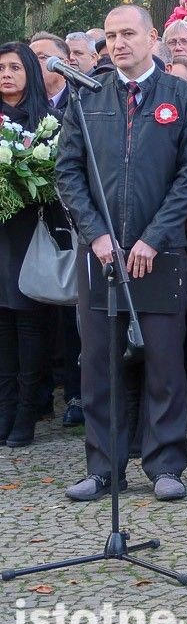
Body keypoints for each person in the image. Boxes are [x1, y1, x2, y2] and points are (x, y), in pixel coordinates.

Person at [56, 4, 187, 502]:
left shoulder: (183, 98)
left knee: (164, 364)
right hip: (101, 255)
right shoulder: (88, 96)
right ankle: (104, 468)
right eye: (111, 36)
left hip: (159, 254)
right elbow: (69, 173)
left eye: (128, 34)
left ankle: (166, 465)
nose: (118, 43)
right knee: (99, 367)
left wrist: (154, 238)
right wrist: (96, 234)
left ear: (152, 37)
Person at [0, 42, 62, 448]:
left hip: (29, 236)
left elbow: (59, 181)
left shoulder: (48, 122)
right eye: (1, 67)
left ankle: (26, 415)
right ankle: (4, 413)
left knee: (28, 324)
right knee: (2, 328)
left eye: (14, 67)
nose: (6, 74)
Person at [29, 32, 71, 111]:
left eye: (41, 57)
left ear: (65, 64)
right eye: (30, 59)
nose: (33, 64)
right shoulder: (19, 102)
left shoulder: (81, 100)